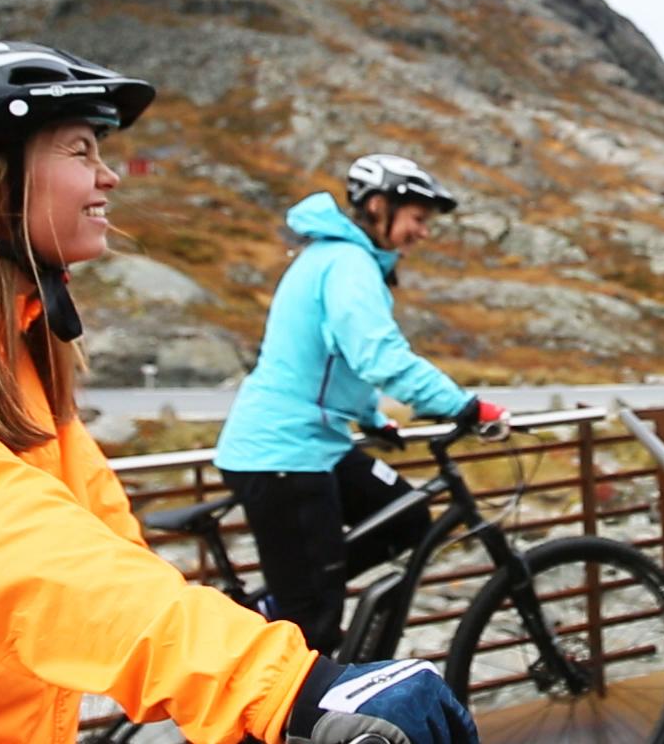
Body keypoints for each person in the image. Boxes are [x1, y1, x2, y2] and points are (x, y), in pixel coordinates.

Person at [0, 42, 476, 744]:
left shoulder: (16, 355)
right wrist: (282, 687)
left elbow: (99, 549)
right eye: (79, 149)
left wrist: (231, 673)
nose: (107, 176)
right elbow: (2, 536)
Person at [215, 154, 510, 656]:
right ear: (378, 207)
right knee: (315, 629)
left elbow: (337, 361)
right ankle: (284, 647)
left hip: (315, 445)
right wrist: (467, 407)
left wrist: (372, 420)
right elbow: (380, 357)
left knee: (409, 518)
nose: (423, 232)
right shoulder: (347, 264)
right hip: (284, 456)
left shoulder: (343, 260)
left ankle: (291, 591)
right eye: (417, 219)